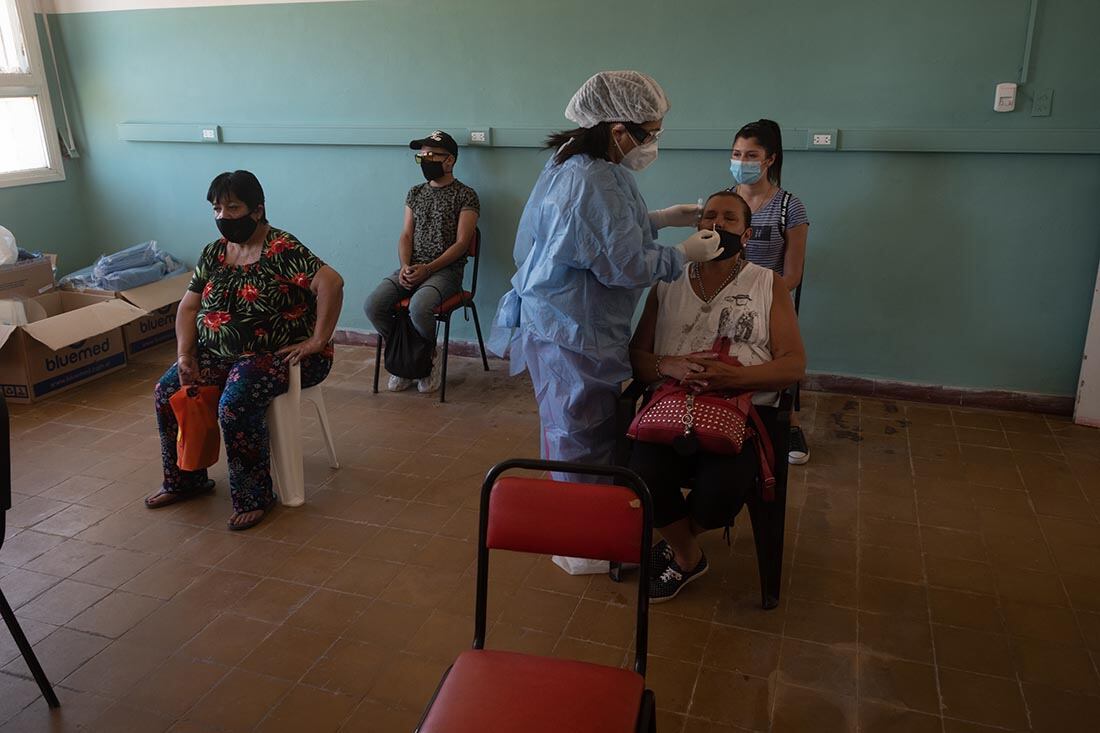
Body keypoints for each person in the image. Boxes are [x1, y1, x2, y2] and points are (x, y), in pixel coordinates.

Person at [489, 70, 722, 485]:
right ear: (618, 129)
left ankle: (580, 530)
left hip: (559, 322)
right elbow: (622, 263)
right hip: (575, 331)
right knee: (581, 439)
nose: (651, 144)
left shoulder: (578, 162)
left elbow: (594, 232)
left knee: (568, 431)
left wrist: (660, 219)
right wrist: (682, 255)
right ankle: (584, 545)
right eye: (648, 134)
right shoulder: (592, 177)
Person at [628, 190, 806, 602]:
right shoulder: (667, 280)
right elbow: (637, 357)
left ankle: (677, 547)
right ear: (697, 228)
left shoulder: (767, 283)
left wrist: (736, 376)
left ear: (746, 235)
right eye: (709, 216)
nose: (716, 224)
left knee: (722, 491)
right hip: (670, 409)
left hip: (738, 415)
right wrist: (667, 365)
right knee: (644, 476)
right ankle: (688, 555)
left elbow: (794, 365)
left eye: (729, 218)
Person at [145, 170, 344, 531]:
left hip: (282, 356)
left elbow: (331, 282)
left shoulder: (281, 248)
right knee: (168, 390)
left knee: (235, 402)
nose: (223, 216)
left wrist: (317, 341)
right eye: (217, 208)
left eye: (233, 207)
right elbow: (188, 308)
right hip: (219, 355)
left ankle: (254, 496)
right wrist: (185, 356)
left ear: (257, 210)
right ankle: (185, 480)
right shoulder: (215, 253)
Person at [365, 130, 480, 393]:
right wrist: (406, 265)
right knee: (374, 305)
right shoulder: (415, 193)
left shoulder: (466, 195)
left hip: (446, 272)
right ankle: (407, 357)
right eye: (421, 157)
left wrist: (428, 268)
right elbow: (406, 235)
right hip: (413, 268)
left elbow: (462, 243)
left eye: (431, 155)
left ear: (449, 161)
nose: (425, 161)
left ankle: (428, 357)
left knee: (419, 308)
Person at [728, 119, 812, 465]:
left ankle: (789, 422)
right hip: (724, 298)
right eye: (736, 154)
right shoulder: (725, 203)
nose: (741, 161)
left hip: (771, 299)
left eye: (751, 155)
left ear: (770, 160)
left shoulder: (790, 208)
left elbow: (792, 274)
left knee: (777, 361)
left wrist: (759, 296)